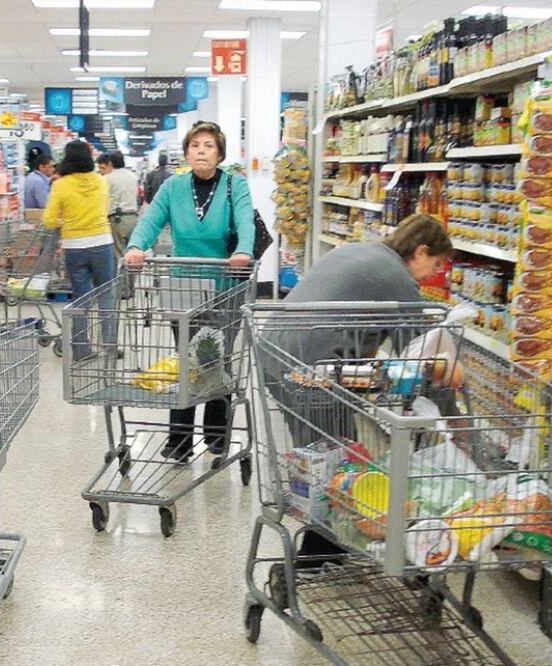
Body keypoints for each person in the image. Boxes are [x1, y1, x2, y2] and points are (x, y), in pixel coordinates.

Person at [267, 213, 452, 560]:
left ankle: (328, 546)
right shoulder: (398, 280)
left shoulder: (360, 252)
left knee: (324, 455)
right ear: (421, 251)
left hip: (276, 352)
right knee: (336, 464)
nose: (435, 274)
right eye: (437, 264)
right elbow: (421, 359)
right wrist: (454, 420)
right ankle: (315, 556)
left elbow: (358, 325)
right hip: (310, 368)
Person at [124, 121, 254, 462]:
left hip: (225, 282)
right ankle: (179, 441)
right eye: (195, 144)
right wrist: (137, 245)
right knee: (187, 359)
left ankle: (216, 437)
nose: (201, 150)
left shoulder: (234, 185)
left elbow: (245, 222)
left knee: (217, 357)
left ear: (220, 153)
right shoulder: (172, 187)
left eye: (209, 145)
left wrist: (243, 251)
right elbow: (151, 220)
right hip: (183, 280)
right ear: (186, 152)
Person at [42, 140, 116, 361]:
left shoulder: (60, 185)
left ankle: (82, 350)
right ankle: (110, 346)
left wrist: (67, 220)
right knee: (106, 295)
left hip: (75, 246)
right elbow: (105, 209)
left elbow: (49, 220)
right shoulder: (101, 181)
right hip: (102, 242)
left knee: (81, 298)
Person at [104, 150, 139, 255]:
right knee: (132, 251)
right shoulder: (134, 177)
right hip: (133, 217)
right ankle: (133, 271)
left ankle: (121, 271)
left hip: (116, 219)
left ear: (110, 163)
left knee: (119, 252)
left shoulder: (107, 179)